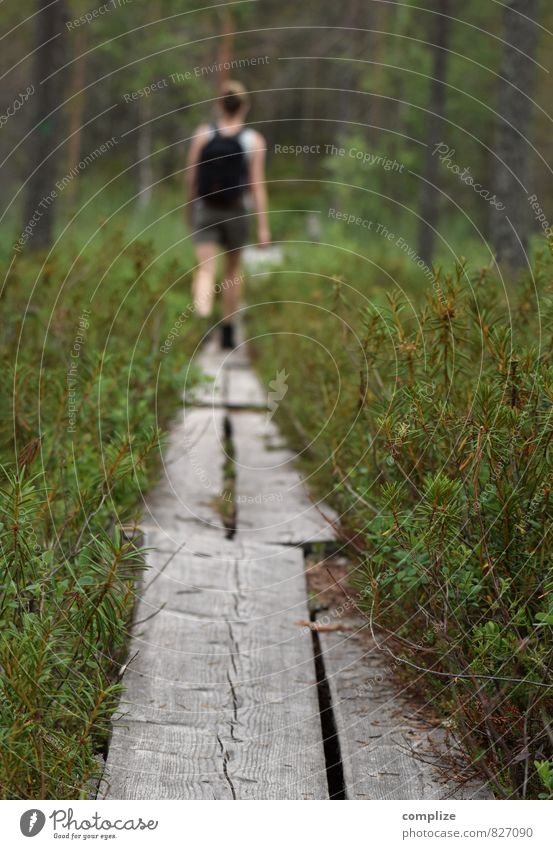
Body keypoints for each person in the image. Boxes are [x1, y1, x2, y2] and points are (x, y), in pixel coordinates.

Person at [185, 81, 270, 349]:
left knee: (205, 269)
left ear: (220, 105)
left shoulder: (203, 135)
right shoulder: (253, 140)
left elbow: (191, 178)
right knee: (232, 272)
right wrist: (263, 227)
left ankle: (202, 320)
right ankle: (228, 330)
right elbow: (257, 186)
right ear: (245, 107)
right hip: (236, 212)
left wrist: (189, 209)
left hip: (206, 209)